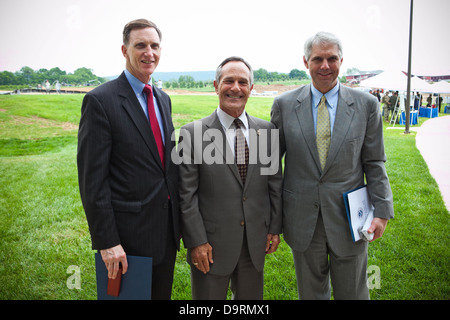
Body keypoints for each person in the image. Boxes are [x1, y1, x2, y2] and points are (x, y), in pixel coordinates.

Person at [270, 31, 394, 300]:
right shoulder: (284, 105)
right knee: (311, 295)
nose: (325, 66)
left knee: (354, 293)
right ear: (305, 62)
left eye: (331, 58)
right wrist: (272, 220)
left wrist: (382, 210)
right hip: (302, 220)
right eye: (317, 59)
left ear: (341, 60)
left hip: (351, 221)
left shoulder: (367, 105)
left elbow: (374, 162)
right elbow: (272, 169)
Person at [77, 19, 180, 299]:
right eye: (141, 45)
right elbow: (92, 181)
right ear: (124, 50)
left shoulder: (163, 99)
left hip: (165, 234)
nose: (149, 53)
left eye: (155, 45)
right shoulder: (100, 101)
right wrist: (107, 241)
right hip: (126, 239)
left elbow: (165, 166)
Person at [178, 56, 282, 300]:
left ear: (251, 89)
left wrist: (274, 228)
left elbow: (275, 183)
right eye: (229, 81)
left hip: (254, 243)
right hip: (210, 247)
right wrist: (196, 241)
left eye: (243, 82)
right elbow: (186, 195)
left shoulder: (267, 131)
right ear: (216, 86)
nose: (236, 88)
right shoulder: (190, 134)